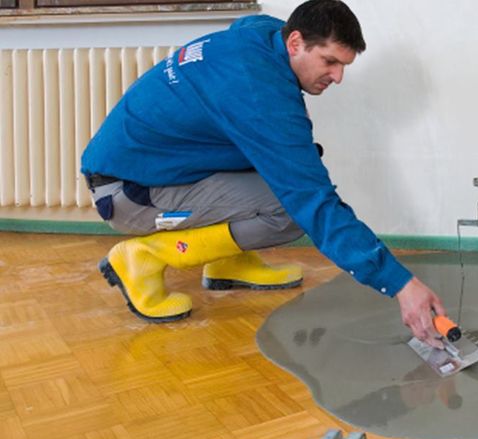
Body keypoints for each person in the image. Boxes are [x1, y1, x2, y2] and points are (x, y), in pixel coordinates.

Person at [80, 0, 446, 349]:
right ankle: (144, 257)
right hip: (129, 191)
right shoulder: (260, 95)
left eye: (344, 65)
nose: (337, 77)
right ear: (296, 42)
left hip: (164, 167)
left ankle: (229, 262)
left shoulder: (263, 34)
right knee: (290, 210)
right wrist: (400, 284)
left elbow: (245, 27)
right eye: (330, 62)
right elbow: (314, 202)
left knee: (282, 161)